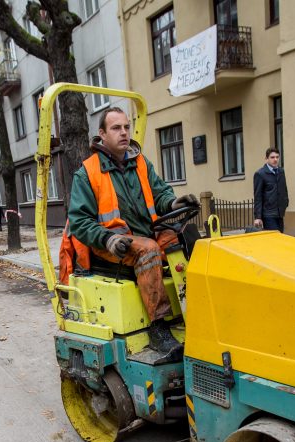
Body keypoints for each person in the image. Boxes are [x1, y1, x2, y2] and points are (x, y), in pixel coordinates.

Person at [60, 106, 198, 361]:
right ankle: (158, 328)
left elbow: (160, 193)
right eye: (116, 128)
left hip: (145, 234)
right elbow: (79, 221)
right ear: (101, 134)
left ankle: (198, 312)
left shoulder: (141, 163)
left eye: (126, 127)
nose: (124, 132)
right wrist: (108, 239)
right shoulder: (87, 173)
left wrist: (174, 204)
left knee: (186, 236)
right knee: (147, 250)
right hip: (109, 244)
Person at [253, 147, 289, 232]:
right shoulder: (260, 174)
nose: (275, 159)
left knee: (281, 238)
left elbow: (284, 189)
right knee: (274, 240)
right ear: (266, 159)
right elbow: (258, 196)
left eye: (277, 157)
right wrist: (258, 217)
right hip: (268, 214)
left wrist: (285, 202)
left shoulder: (281, 172)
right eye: (272, 157)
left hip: (280, 213)